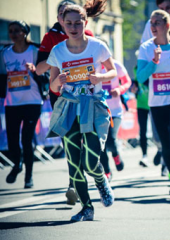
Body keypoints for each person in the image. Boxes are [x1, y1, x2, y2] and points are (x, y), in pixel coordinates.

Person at [46, 1, 115, 221]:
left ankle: (101, 180)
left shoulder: (98, 46)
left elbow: (113, 72)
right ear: (62, 23)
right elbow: (53, 87)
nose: (73, 27)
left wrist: (101, 77)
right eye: (69, 23)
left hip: (93, 107)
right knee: (75, 164)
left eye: (78, 22)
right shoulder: (58, 51)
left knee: (90, 162)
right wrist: (58, 80)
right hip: (69, 109)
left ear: (85, 22)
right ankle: (87, 208)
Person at [35, 0, 97, 206]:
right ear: (59, 19)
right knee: (70, 141)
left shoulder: (87, 36)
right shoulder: (51, 38)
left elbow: (99, 64)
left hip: (87, 97)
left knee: (88, 142)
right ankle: (74, 184)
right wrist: (57, 59)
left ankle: (98, 171)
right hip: (62, 96)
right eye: (62, 15)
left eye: (74, 19)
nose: (69, 23)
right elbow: (39, 68)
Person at [137, 10, 170, 195]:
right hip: (157, 101)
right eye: (151, 23)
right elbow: (141, 76)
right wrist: (154, 61)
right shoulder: (146, 48)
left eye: (157, 23)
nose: (153, 27)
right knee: (165, 141)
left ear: (167, 25)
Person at [2, 21, 46, 189]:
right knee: (12, 140)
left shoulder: (34, 51)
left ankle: (29, 176)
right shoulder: (5, 54)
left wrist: (35, 70)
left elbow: (46, 74)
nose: (13, 34)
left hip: (32, 102)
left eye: (17, 31)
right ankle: (17, 165)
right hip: (12, 103)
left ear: (25, 33)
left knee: (26, 139)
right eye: (10, 31)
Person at [99, 39, 132, 182]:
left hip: (115, 111)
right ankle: (106, 171)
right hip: (98, 111)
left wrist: (119, 89)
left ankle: (116, 154)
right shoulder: (92, 67)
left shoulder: (116, 65)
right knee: (100, 143)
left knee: (111, 139)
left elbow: (127, 81)